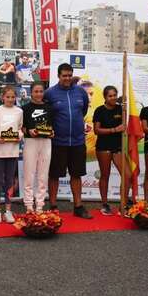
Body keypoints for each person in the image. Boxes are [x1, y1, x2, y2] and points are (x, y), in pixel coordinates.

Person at [45, 63, 92, 219]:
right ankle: (53, 206)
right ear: (58, 76)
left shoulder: (80, 92)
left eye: (69, 75)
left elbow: (83, 111)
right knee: (54, 175)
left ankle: (78, 207)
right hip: (57, 142)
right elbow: (46, 115)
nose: (67, 78)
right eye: (64, 75)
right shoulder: (50, 93)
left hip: (78, 141)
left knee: (76, 175)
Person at [0, 85, 23, 223]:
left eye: (13, 97)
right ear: (2, 97)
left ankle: (8, 210)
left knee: (9, 181)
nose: (10, 99)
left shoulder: (19, 111)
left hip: (12, 150)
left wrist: (19, 136)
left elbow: (20, 129)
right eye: (7, 97)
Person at [93, 86, 125, 215]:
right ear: (105, 97)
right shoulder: (99, 110)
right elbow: (97, 130)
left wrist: (126, 108)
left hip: (118, 147)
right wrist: (114, 130)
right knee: (105, 175)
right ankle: (105, 204)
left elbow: (127, 124)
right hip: (103, 147)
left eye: (115, 95)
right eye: (110, 96)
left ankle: (123, 204)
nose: (113, 98)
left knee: (127, 175)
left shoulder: (121, 108)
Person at [21, 81, 53, 213]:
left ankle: (40, 205)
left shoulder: (49, 108)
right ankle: (29, 205)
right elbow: (22, 127)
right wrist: (29, 131)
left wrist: (52, 132)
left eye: (41, 91)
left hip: (46, 142)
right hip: (31, 142)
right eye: (36, 91)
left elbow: (51, 126)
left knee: (43, 175)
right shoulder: (25, 108)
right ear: (31, 92)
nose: (39, 94)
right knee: (29, 174)